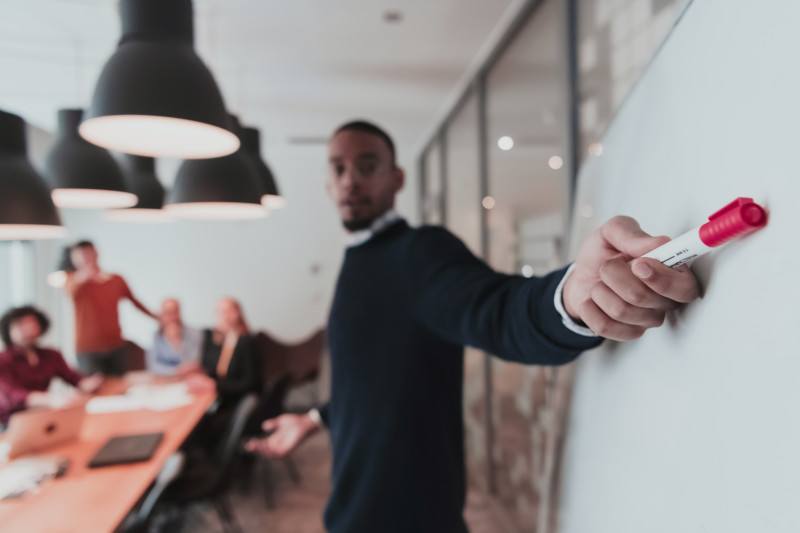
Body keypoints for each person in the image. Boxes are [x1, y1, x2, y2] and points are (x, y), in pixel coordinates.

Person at [245, 120, 700, 533]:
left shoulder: (416, 253)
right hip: (354, 508)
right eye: (339, 168)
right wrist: (313, 418)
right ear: (328, 184)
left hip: (410, 516)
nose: (350, 180)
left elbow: (498, 311)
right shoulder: (359, 260)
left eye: (367, 166)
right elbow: (368, 377)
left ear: (396, 178)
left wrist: (570, 297)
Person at [64, 240, 158, 376]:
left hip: (116, 346)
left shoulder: (116, 280)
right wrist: (84, 277)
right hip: (88, 350)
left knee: (118, 387)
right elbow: (70, 292)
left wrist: (157, 317)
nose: (85, 259)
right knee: (94, 390)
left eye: (88, 254)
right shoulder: (71, 280)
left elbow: (135, 302)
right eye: (80, 256)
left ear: (96, 253)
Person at [0, 305, 102, 425]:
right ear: (8, 330)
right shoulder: (3, 360)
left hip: (45, 416)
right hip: (14, 422)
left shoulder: (51, 355)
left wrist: (86, 383)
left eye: (32, 324)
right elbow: (12, 395)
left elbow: (72, 377)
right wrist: (50, 399)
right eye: (21, 325)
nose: (28, 330)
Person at [200, 297, 261, 404]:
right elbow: (215, 371)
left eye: (228, 311)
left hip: (238, 402)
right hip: (220, 398)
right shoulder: (219, 343)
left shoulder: (246, 343)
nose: (224, 316)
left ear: (238, 313)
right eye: (220, 312)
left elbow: (251, 383)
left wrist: (215, 385)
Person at [146, 298, 202, 376]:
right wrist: (174, 371)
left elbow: (194, 364)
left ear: (179, 312)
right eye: (167, 312)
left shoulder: (194, 333)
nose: (171, 317)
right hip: (165, 379)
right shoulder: (157, 336)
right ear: (162, 314)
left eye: (174, 312)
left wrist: (176, 341)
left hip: (189, 378)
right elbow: (153, 366)